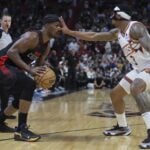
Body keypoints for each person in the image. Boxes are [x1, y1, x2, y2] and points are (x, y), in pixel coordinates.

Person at [60, 6, 150, 149]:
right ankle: (122, 127)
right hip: (139, 68)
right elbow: (93, 36)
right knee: (115, 95)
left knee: (136, 87)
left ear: (120, 16)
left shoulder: (136, 28)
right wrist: (70, 32)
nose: (111, 17)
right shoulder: (117, 32)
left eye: (113, 15)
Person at [0, 14, 61, 142]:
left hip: (14, 68)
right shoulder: (32, 36)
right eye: (56, 26)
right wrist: (29, 70)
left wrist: (42, 77)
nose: (59, 28)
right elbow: (11, 52)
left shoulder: (47, 45)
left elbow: (39, 64)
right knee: (28, 85)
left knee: (19, 100)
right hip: (2, 63)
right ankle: (21, 130)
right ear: (47, 25)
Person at [0, 10, 16, 120]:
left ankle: (4, 113)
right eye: (5, 21)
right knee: (4, 92)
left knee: (5, 91)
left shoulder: (8, 35)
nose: (7, 23)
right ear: (0, 21)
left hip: (6, 65)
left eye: (9, 21)